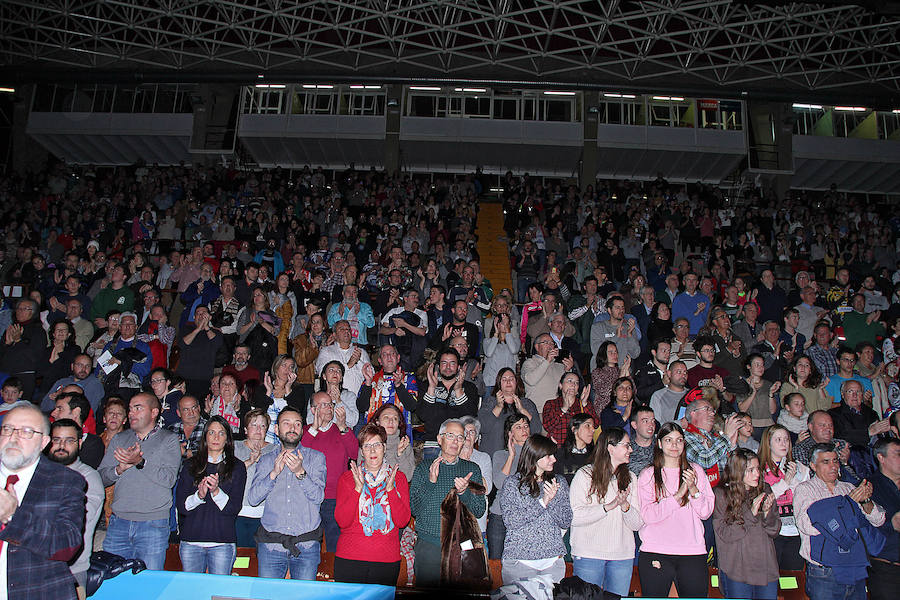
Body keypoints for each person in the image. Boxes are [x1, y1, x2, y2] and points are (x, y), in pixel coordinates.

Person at [0, 404, 86, 600]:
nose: (13, 438)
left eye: (27, 432)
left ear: (43, 442)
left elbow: (67, 546)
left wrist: (13, 516)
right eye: (7, 429)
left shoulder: (65, 481)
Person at [98, 392, 181, 570]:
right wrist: (118, 469)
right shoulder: (120, 439)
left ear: (154, 412)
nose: (131, 413)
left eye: (138, 408)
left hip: (152, 524)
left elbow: (169, 479)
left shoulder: (169, 439)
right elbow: (101, 478)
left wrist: (140, 462)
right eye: (130, 409)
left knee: (148, 585)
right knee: (114, 585)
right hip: (118, 522)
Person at [794, 443, 886, 600]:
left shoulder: (848, 488)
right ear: (813, 466)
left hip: (853, 566)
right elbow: (808, 526)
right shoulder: (805, 489)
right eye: (826, 461)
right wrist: (847, 504)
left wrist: (865, 501)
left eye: (835, 461)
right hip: (824, 572)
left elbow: (879, 520)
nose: (833, 466)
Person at [247, 407, 327, 580]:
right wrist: (273, 474)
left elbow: (318, 497)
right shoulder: (267, 459)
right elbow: (253, 499)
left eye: (297, 424)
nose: (292, 428)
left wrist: (300, 472)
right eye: (286, 423)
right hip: (271, 546)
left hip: (306, 544)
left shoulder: (316, 458)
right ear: (276, 429)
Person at [637, 422, 714, 598]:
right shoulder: (648, 474)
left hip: (692, 551)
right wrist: (677, 496)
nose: (674, 445)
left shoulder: (696, 471)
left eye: (679, 440)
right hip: (656, 550)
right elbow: (648, 515)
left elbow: (705, 512)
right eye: (669, 440)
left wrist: (693, 489)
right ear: (659, 444)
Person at [409, 418, 486, 587]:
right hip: (429, 546)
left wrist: (464, 493)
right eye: (450, 435)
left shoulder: (472, 469)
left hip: (462, 546)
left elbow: (480, 510)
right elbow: (414, 509)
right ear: (439, 439)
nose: (455, 441)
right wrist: (430, 483)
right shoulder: (424, 468)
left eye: (460, 437)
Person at [570, 427, 643, 598]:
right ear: (611, 448)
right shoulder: (585, 475)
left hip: (621, 556)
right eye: (626, 445)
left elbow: (637, 524)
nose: (631, 450)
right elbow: (575, 516)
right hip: (589, 554)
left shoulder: (630, 477)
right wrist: (607, 507)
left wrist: (625, 506)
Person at [334, 422, 411, 585]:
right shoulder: (348, 478)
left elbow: (403, 521)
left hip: (386, 559)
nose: (372, 450)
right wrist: (357, 489)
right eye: (367, 446)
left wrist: (390, 491)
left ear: (384, 447)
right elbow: (342, 521)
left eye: (377, 445)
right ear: (362, 451)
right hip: (350, 558)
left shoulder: (398, 478)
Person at [176, 416, 247, 575]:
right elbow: (182, 507)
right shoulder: (190, 465)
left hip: (222, 543)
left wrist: (215, 492)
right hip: (191, 543)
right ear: (205, 437)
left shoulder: (237, 467)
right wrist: (199, 496)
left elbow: (234, 508)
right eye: (212, 433)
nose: (216, 437)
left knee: (219, 593)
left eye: (221, 433)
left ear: (227, 439)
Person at [498, 434, 572, 584]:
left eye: (553, 455)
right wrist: (543, 502)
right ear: (534, 456)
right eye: (548, 456)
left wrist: (551, 501)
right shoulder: (513, 484)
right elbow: (511, 521)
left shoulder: (559, 482)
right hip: (520, 561)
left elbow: (566, 521)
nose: (554, 459)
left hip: (552, 561)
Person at [46, 417, 104, 597]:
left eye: (69, 440)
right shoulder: (40, 473)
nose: (62, 445)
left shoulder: (89, 478)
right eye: (57, 440)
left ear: (79, 443)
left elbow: (76, 520)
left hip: (71, 570)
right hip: (37, 568)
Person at [712, 448, 780, 599]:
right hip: (737, 570)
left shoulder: (765, 489)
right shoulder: (722, 494)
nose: (757, 474)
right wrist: (751, 513)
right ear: (737, 471)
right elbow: (725, 534)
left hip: (765, 568)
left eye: (758, 469)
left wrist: (768, 514)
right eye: (750, 470)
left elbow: (774, 531)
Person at [301, 391, 358, 553]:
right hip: (308, 497)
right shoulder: (305, 431)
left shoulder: (341, 430)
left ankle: (333, 575)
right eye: (323, 405)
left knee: (335, 542)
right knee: (308, 543)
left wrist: (342, 427)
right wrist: (314, 428)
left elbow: (355, 454)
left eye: (330, 404)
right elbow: (299, 454)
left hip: (334, 497)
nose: (329, 408)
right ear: (313, 410)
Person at [758, 424, 811, 571]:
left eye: (786, 439)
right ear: (768, 443)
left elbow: (804, 498)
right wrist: (786, 481)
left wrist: (793, 481)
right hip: (770, 531)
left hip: (795, 531)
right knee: (771, 577)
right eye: (778, 439)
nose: (784, 444)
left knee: (791, 580)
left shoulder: (800, 468)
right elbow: (763, 500)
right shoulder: (759, 469)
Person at [418, 349, 479, 461]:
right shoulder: (427, 385)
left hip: (459, 445)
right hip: (433, 444)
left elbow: (471, 416)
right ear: (438, 366)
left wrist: (459, 391)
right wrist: (431, 388)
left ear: (458, 367)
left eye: (452, 363)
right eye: (444, 363)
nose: (448, 367)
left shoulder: (469, 387)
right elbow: (423, 415)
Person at [233, 409, 277, 548]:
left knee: (259, 558)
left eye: (263, 426)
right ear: (246, 429)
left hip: (265, 515)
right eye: (254, 425)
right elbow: (227, 476)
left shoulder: (275, 450)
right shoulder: (234, 447)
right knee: (240, 558)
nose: (258, 429)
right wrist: (249, 462)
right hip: (238, 513)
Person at [478, 368, 541, 458]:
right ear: (499, 384)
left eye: (511, 379)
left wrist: (522, 410)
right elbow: (482, 427)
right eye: (504, 379)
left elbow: (537, 430)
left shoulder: (527, 403)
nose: (508, 382)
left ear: (516, 382)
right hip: (493, 454)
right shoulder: (490, 402)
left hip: (520, 456)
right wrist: (498, 407)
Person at [356, 344, 415, 437]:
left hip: (400, 434)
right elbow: (362, 407)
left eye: (392, 353)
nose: (389, 356)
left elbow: (412, 406)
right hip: (375, 435)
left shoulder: (408, 378)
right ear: (380, 360)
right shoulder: (371, 379)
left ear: (398, 358)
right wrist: (368, 383)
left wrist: (399, 386)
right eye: (384, 354)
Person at [868, 437, 900, 600]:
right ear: (881, 457)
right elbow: (864, 525)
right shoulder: (870, 487)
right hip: (886, 568)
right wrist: (890, 523)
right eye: (898, 454)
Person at [251, 355, 307, 443]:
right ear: (276, 368)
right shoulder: (263, 388)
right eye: (284, 365)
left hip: (288, 439)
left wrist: (288, 389)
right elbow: (258, 414)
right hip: (265, 438)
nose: (288, 369)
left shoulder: (298, 390)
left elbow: (297, 412)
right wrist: (268, 392)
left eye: (291, 367)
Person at [0, 299, 48, 401]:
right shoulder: (11, 328)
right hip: (5, 376)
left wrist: (19, 341)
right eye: (18, 308)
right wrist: (6, 344)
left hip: (24, 377)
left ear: (33, 312)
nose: (20, 311)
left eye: (25, 309)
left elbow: (35, 357)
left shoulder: (38, 331)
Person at [176, 305, 223, 401]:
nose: (201, 316)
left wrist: (206, 327)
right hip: (184, 377)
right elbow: (183, 344)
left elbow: (216, 344)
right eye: (198, 313)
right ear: (194, 317)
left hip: (203, 379)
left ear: (209, 317)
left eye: (204, 314)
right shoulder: (186, 329)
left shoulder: (215, 332)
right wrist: (198, 329)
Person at [314, 320, 371, 396]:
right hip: (333, 398)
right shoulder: (326, 351)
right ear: (334, 335)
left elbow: (371, 374)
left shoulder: (361, 352)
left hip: (358, 398)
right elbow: (322, 372)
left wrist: (358, 361)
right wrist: (348, 365)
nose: (346, 331)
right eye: (342, 329)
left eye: (348, 329)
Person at [49, 391, 104, 468]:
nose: (53, 414)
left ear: (76, 412)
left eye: (60, 409)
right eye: (56, 440)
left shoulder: (93, 443)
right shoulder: (48, 437)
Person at [521, 333, 573, 415]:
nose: (550, 345)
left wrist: (568, 370)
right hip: (538, 412)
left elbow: (568, 389)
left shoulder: (559, 366)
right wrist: (547, 361)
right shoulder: (529, 363)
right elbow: (531, 380)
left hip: (558, 412)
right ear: (537, 347)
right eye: (546, 342)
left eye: (552, 343)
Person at [361, 403, 415, 481]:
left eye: (395, 418)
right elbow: (362, 474)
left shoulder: (404, 445)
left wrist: (400, 455)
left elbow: (408, 477)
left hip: (395, 490)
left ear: (399, 424)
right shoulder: (367, 442)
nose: (391, 421)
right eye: (386, 418)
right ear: (377, 422)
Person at [542, 372, 597, 446]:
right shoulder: (551, 404)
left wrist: (584, 404)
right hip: (558, 447)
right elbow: (548, 426)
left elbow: (595, 424)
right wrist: (564, 409)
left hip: (579, 449)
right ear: (560, 385)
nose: (573, 384)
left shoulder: (583, 404)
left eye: (576, 383)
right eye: (570, 381)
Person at [829, 379, 886, 448]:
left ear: (862, 394)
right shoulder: (834, 414)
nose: (855, 395)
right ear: (843, 394)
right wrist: (868, 432)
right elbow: (840, 436)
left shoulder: (871, 413)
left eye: (858, 391)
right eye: (850, 391)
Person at [737, 353, 780, 438]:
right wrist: (753, 392)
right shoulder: (742, 385)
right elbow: (742, 409)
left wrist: (771, 394)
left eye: (762, 365)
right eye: (757, 365)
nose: (761, 367)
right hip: (751, 427)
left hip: (768, 426)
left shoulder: (768, 384)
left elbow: (772, 411)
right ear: (749, 366)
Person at [554, 413, 596, 483]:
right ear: (574, 429)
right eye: (588, 425)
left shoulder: (596, 455)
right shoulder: (559, 455)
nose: (593, 430)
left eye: (593, 426)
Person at [633, 338, 671, 404]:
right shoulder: (644, 371)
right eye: (664, 351)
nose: (667, 354)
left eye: (669, 351)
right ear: (654, 352)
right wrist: (662, 383)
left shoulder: (672, 370)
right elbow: (640, 394)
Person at [628, 405, 656, 476]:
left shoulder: (661, 446)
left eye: (653, 421)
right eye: (645, 421)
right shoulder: (626, 448)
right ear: (634, 425)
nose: (651, 425)